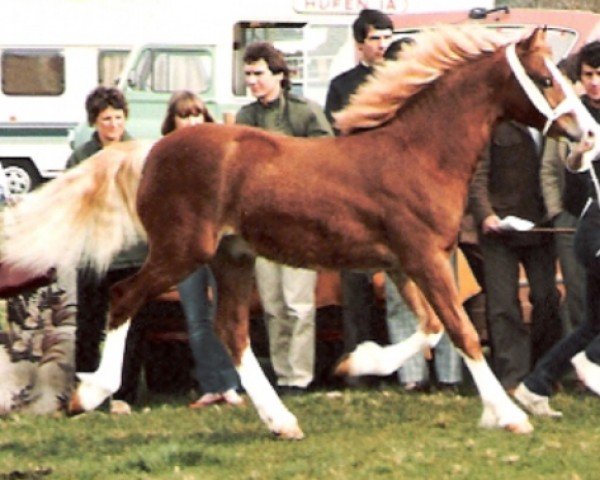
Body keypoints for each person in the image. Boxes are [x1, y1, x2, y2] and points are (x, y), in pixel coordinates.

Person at [236, 42, 332, 395]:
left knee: (299, 304)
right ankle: (281, 374)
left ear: (279, 74)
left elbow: (328, 161)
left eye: (259, 74)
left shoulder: (306, 112)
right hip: (261, 226)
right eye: (247, 74)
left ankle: (300, 377)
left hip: (298, 224)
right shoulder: (245, 117)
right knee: (273, 305)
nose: (252, 81)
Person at [515, 40, 600, 415]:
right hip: (594, 228)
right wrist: (578, 157)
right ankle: (590, 361)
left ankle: (534, 386)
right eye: (588, 75)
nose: (595, 82)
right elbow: (577, 185)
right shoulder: (577, 118)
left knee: (591, 324)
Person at [67, 86, 148, 415]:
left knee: (132, 324)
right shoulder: (81, 156)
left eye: (118, 118)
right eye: (106, 120)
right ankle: (85, 390)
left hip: (131, 252)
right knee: (88, 323)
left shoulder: (138, 151)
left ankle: (124, 394)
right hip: (93, 252)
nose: (113, 125)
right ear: (94, 123)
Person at [161, 90, 243, 408]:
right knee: (196, 319)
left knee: (224, 314)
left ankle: (232, 384)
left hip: (219, 245)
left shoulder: (219, 152)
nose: (193, 120)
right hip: (184, 250)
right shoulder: (165, 155)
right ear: (173, 121)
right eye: (185, 115)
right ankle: (212, 384)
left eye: (197, 114)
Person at [469, 120, 563, 393]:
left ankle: (544, 370)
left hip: (541, 225)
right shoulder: (494, 122)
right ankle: (512, 375)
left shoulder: (550, 122)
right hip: (499, 230)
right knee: (503, 304)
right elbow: (477, 174)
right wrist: (485, 214)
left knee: (547, 298)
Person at [324, 9, 393, 369]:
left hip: (395, 194)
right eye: (375, 39)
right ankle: (358, 364)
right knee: (355, 282)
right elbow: (336, 139)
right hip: (354, 193)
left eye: (386, 37)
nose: (382, 45)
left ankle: (402, 368)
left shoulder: (404, 80)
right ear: (359, 44)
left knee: (399, 283)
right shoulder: (342, 85)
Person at [540, 132, 587, 333]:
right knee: (577, 291)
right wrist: (556, 213)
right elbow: (549, 169)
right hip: (570, 219)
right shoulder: (565, 122)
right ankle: (580, 354)